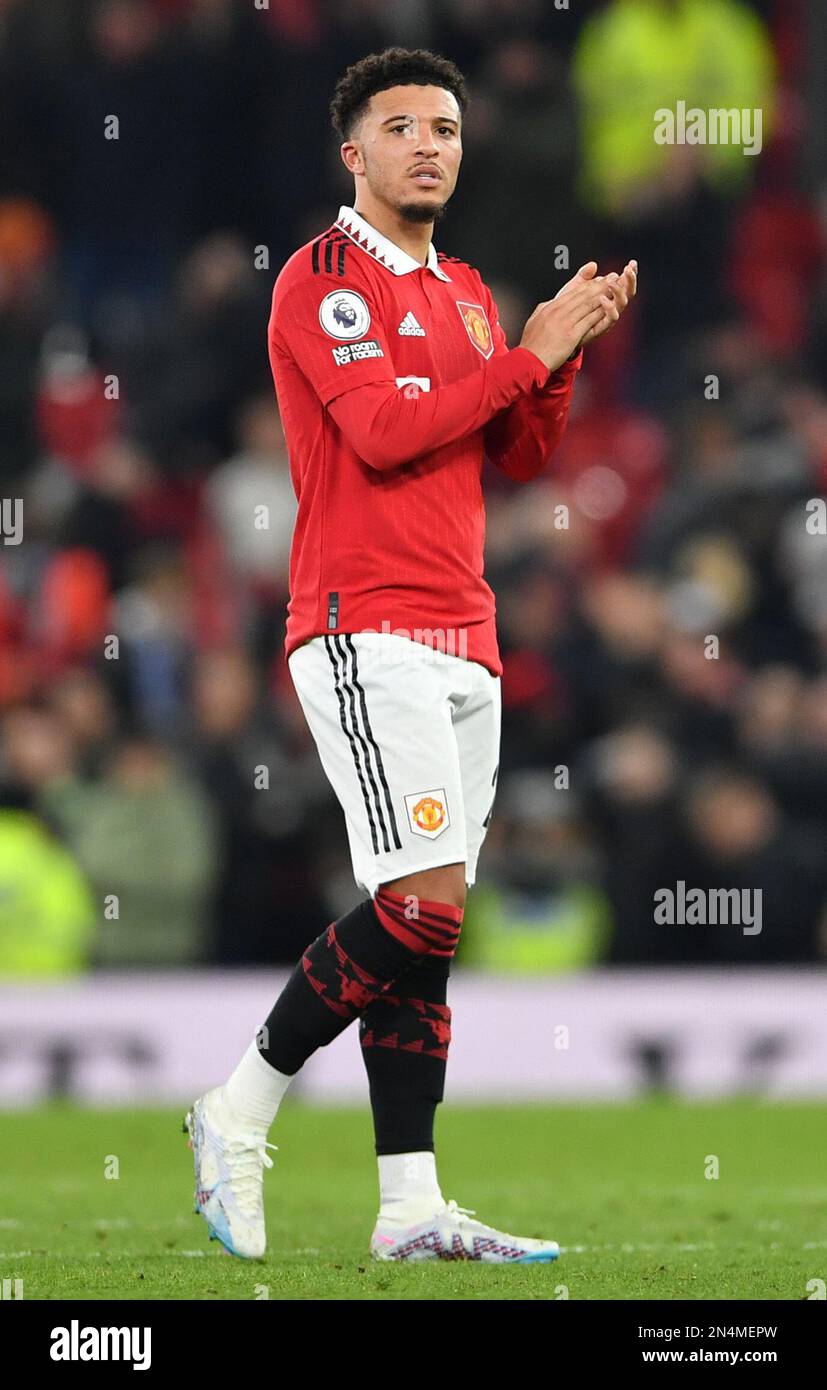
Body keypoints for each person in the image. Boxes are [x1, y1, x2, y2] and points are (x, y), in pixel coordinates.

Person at [185, 45, 636, 1263]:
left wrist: (558, 349)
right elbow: (383, 434)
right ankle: (236, 1106)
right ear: (355, 153)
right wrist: (525, 356)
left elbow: (521, 454)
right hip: (361, 622)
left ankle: (408, 1205)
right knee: (424, 912)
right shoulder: (322, 280)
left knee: (421, 917)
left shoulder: (469, 291)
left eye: (444, 126)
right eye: (401, 127)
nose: (429, 144)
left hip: (465, 629)